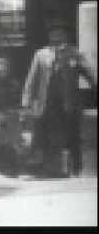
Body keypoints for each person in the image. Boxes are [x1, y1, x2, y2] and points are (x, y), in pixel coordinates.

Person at [22, 17, 96, 178]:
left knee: (73, 136)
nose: (56, 37)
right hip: (46, 103)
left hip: (68, 104)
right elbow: (31, 79)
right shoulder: (41, 54)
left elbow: (91, 74)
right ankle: (47, 169)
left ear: (66, 36)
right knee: (44, 135)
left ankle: (76, 169)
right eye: (53, 33)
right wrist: (27, 101)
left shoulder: (75, 54)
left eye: (60, 33)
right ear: (49, 36)